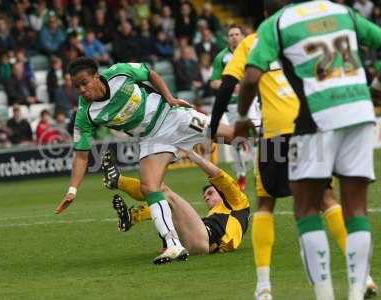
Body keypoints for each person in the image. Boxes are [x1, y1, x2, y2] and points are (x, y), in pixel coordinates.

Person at [236, 1, 381, 299]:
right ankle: (357, 292)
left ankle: (324, 295)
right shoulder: (341, 11)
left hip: (314, 119)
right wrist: (376, 81)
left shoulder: (277, 23)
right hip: (359, 112)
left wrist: (240, 119)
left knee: (305, 208)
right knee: (355, 209)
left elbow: (249, 77)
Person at [54, 57, 234, 264]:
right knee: (149, 187)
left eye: (84, 83)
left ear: (96, 77)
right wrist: (72, 190)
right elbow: (81, 154)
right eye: (76, 86)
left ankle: (271, 132)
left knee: (230, 136)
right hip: (152, 138)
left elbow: (150, 73)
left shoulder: (120, 73)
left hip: (172, 116)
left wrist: (170, 97)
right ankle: (173, 244)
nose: (81, 90)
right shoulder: (85, 114)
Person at [102, 148, 249, 254]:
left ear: (221, 193)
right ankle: (132, 215)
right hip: (195, 241)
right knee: (162, 199)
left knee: (162, 190)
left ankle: (118, 182)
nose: (206, 197)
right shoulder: (214, 216)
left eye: (210, 192)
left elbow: (219, 176)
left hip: (205, 241)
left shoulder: (239, 203)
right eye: (205, 196)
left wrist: (191, 154)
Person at [209, 24, 255, 191]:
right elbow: (213, 82)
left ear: (242, 36)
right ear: (227, 38)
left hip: (253, 101)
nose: (234, 37)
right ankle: (241, 174)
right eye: (231, 35)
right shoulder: (221, 57)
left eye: (237, 34)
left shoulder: (251, 52)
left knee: (257, 136)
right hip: (232, 105)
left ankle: (259, 173)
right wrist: (229, 84)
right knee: (236, 139)